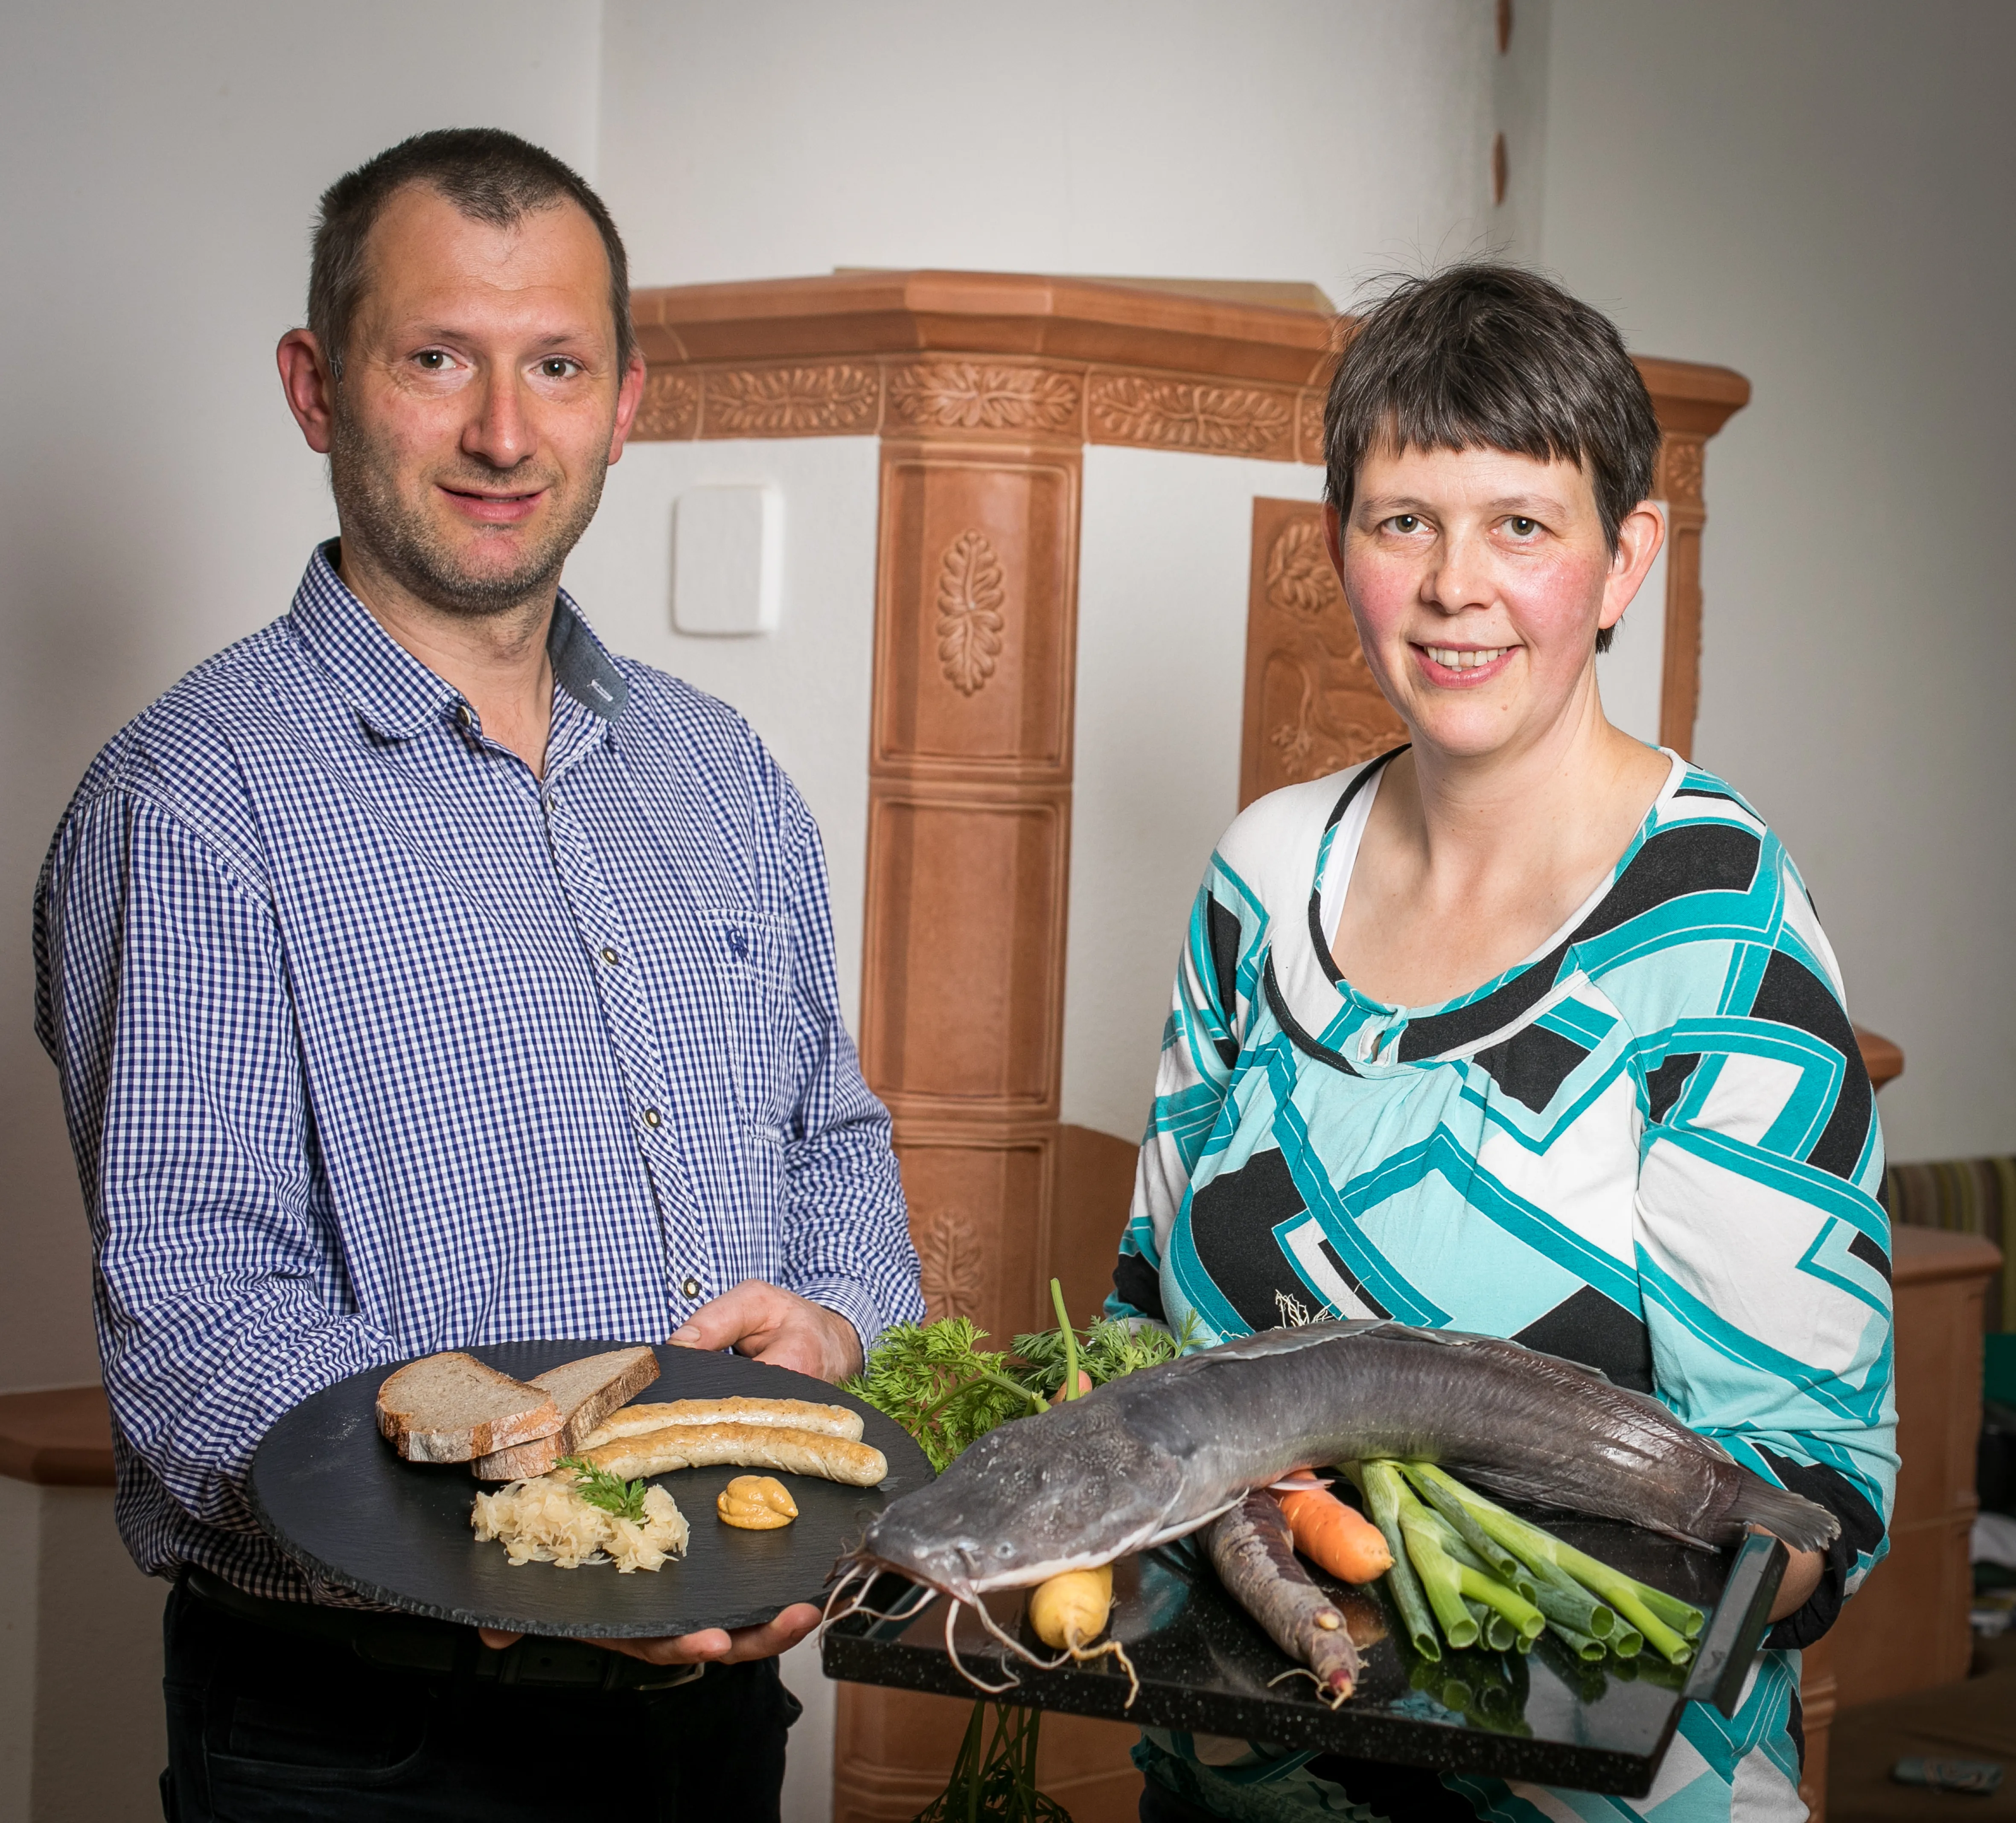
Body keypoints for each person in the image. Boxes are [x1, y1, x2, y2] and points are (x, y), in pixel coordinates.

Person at [34, 128, 922, 1821]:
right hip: (367, 1744)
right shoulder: (196, 801)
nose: (505, 432)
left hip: (715, 1720)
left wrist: (832, 1321)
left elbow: (834, 1148)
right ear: (316, 386)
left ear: (625, 398)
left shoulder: (719, 771)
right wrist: (564, 1549)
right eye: (438, 358)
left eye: (556, 365)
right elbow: (200, 1321)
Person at [1110, 266, 1893, 1823]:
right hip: (1239, 1777)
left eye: (1520, 525)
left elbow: (1809, 1489)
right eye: (1403, 519)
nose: (1453, 584)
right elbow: (1149, 1327)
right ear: (1340, 548)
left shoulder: (1714, 927)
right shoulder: (1260, 879)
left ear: (1624, 562)